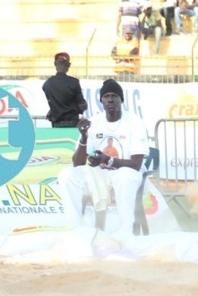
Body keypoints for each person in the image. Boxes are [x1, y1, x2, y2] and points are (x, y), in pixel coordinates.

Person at [58, 79, 148, 234]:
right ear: (101, 101)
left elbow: (137, 164)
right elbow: (77, 164)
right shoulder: (94, 122)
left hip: (127, 173)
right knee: (66, 175)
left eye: (114, 96)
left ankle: (125, 232)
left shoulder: (134, 122)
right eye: (106, 96)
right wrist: (84, 138)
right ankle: (75, 230)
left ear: (121, 99)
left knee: (124, 176)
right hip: (101, 176)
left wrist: (108, 160)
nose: (111, 99)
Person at [43, 52, 87, 128]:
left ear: (55, 64)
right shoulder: (74, 83)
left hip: (56, 125)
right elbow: (81, 105)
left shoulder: (47, 84)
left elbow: (55, 102)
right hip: (72, 124)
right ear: (68, 65)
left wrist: (53, 109)